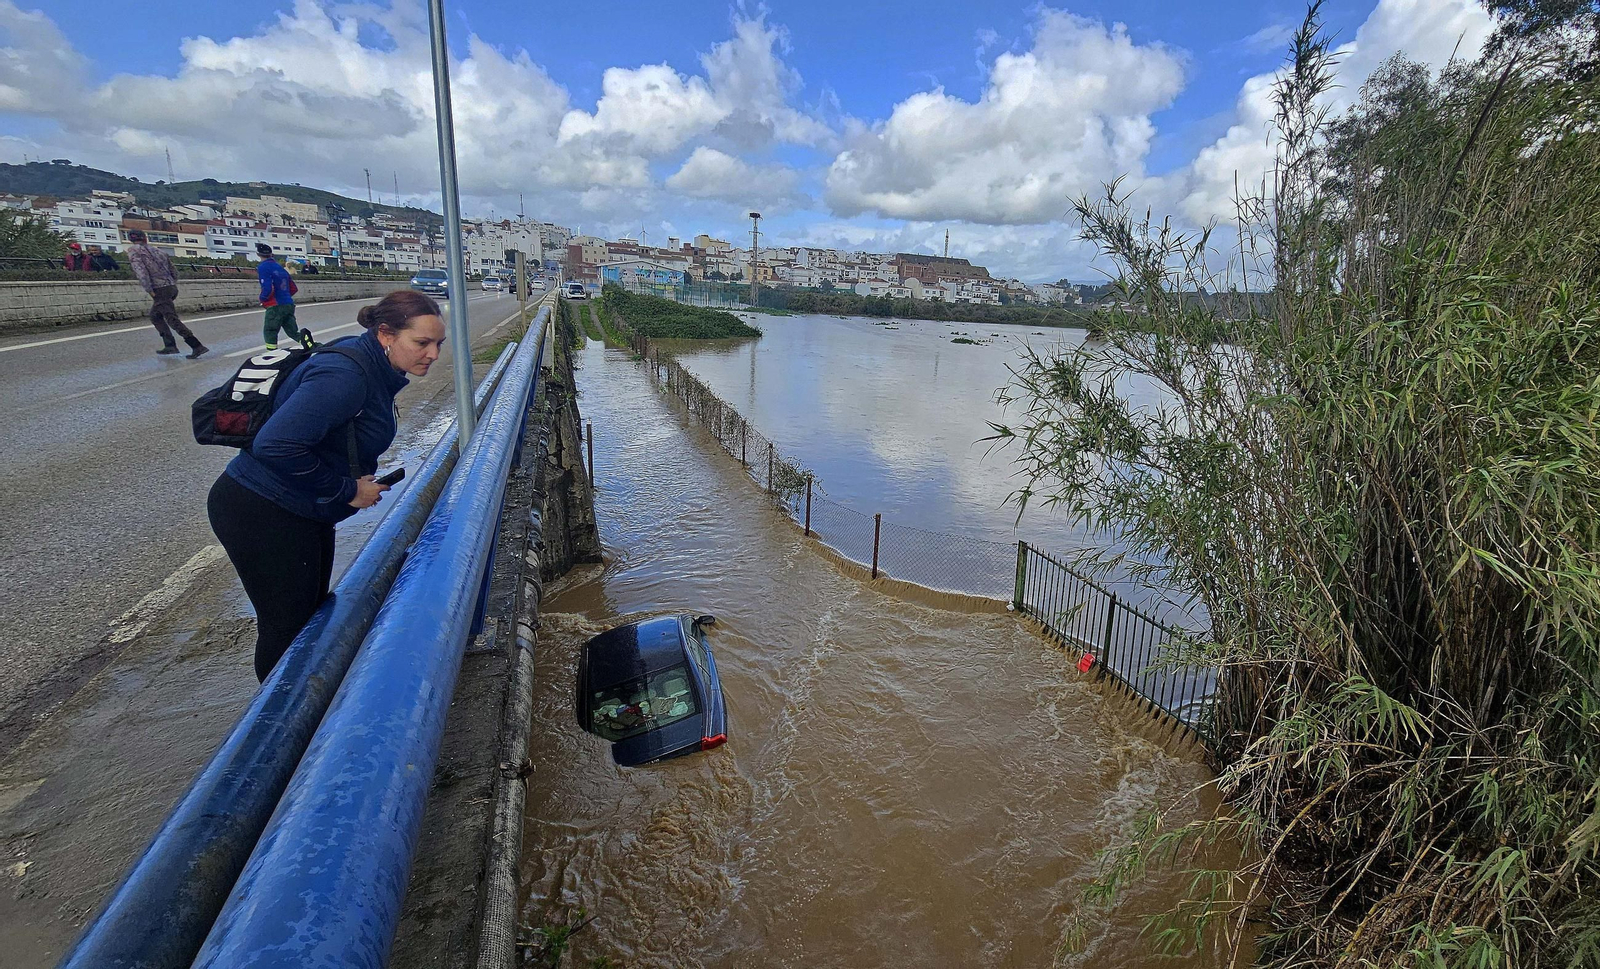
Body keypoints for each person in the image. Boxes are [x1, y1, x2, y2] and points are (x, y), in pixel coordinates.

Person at [208, 290, 445, 681]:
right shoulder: (346, 375)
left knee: (310, 617)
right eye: (422, 343)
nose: (432, 354)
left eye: (438, 344)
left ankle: (303, 711)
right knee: (286, 627)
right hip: (263, 511)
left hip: (300, 510)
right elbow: (275, 444)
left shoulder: (369, 364)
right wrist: (346, 490)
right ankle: (278, 728)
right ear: (385, 334)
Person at [126, 228, 209, 359]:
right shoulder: (159, 251)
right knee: (155, 316)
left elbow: (141, 272)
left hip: (159, 289)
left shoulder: (133, 251)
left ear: (130, 239)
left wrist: (149, 289)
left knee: (171, 318)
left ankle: (196, 345)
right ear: (145, 238)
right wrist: (172, 282)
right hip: (170, 286)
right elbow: (174, 270)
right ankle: (170, 345)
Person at [256, 242, 314, 350]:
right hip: (288, 304)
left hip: (275, 305)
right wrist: (285, 296)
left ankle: (272, 354)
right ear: (271, 254)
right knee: (292, 332)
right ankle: (312, 346)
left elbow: (268, 288)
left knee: (270, 331)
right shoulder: (280, 268)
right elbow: (293, 288)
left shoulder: (263, 267)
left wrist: (263, 299)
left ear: (258, 254)